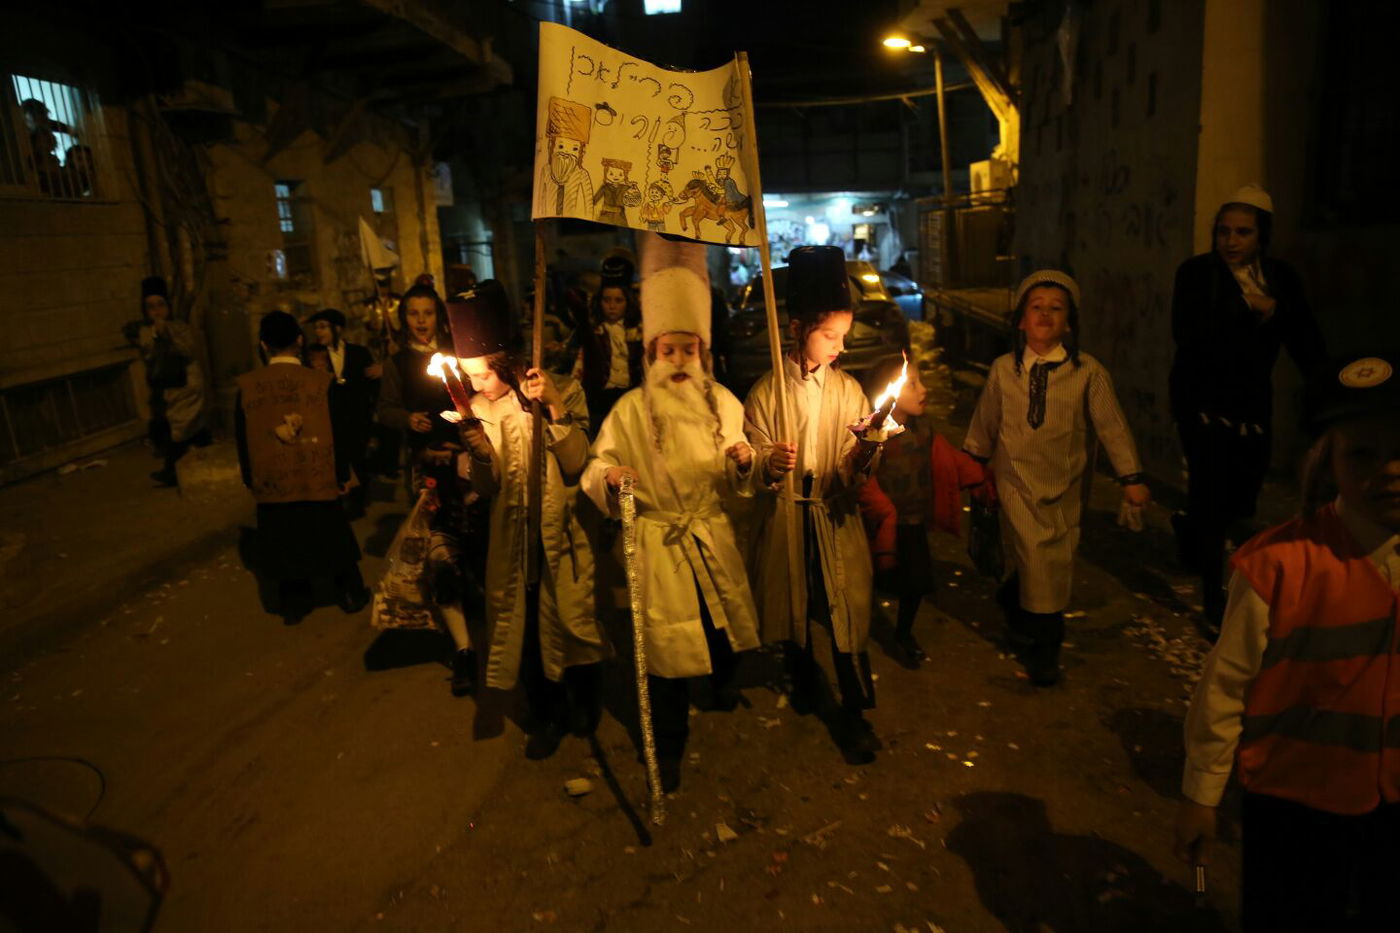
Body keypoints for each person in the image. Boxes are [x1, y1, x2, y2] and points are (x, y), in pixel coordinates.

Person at [1174, 351, 1400, 932]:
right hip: (1294, 804)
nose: (1390, 469)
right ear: (1328, 463)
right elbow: (1226, 685)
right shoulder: (1278, 563)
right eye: (1363, 453)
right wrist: (1202, 794)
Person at [583, 232, 761, 793]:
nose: (680, 361)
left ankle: (721, 683)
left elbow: (740, 461)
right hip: (660, 549)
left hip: (710, 537)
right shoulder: (630, 409)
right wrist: (611, 476)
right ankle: (670, 745)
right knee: (665, 658)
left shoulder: (723, 402)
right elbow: (596, 464)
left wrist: (743, 460)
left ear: (703, 353)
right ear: (652, 353)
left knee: (719, 633)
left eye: (690, 350)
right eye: (669, 351)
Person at [962, 270, 1150, 687]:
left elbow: (1113, 428)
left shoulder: (1088, 372)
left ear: (1069, 323)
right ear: (1021, 320)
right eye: (1036, 307)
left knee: (1050, 564)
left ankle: (1012, 601)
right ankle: (1045, 655)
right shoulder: (1003, 369)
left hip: (1066, 489)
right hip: (1016, 484)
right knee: (1038, 562)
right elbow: (986, 420)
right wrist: (973, 462)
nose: (1045, 314)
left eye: (1056, 308)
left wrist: (1131, 477)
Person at [744, 246, 889, 764]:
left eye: (843, 336)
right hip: (788, 516)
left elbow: (853, 465)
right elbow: (750, 456)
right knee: (795, 607)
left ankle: (854, 712)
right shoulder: (767, 392)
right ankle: (804, 677)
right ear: (797, 328)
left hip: (832, 515)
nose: (839, 346)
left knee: (845, 612)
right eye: (829, 335)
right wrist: (768, 463)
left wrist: (866, 450)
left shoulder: (848, 390)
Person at [450, 281, 606, 756]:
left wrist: (554, 405)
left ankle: (586, 703)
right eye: (470, 376)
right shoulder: (479, 409)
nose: (475, 384)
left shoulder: (561, 390)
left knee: (572, 619)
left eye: (482, 374)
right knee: (527, 629)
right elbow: (488, 487)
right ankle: (546, 714)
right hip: (514, 540)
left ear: (503, 362)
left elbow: (577, 463)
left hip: (563, 533)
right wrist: (480, 452)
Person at [1169, 185, 1326, 629]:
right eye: (1224, 231)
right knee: (1211, 494)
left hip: (1251, 402)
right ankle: (1213, 600)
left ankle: (1190, 529)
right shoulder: (1197, 274)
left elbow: (1303, 336)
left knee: (1242, 498)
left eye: (1242, 232)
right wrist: (1246, 305)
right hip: (1201, 400)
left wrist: (1327, 385)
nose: (1231, 241)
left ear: (1262, 235)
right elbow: (1189, 332)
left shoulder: (1280, 277)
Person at [235, 311, 368, 623]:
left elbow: (243, 437)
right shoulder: (321, 383)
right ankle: (349, 594)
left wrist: (250, 477)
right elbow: (338, 431)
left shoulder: (248, 387)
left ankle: (294, 604)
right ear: (299, 340)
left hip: (273, 481)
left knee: (284, 540)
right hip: (318, 475)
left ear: (263, 344)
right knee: (331, 535)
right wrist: (342, 473)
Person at [856, 355, 988, 667]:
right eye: (912, 384)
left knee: (916, 581)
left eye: (920, 381)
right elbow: (859, 474)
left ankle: (903, 634)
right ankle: (858, 632)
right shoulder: (874, 433)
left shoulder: (923, 429)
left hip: (912, 520)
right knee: (871, 576)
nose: (923, 389)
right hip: (879, 522)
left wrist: (981, 478)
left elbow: (946, 459)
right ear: (888, 391)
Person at [124, 276, 211, 487]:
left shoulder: (179, 327)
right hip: (169, 388)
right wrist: (154, 336)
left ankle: (172, 470)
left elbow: (187, 350)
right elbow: (148, 355)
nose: (156, 311)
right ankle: (199, 457)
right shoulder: (147, 332)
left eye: (160, 305)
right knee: (186, 428)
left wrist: (167, 334)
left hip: (187, 385)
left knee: (181, 428)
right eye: (151, 307)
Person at [376, 275, 455, 488]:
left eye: (428, 313)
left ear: (438, 316)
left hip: (460, 449)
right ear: (404, 318)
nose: (421, 321)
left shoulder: (456, 353)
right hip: (422, 454)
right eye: (413, 314)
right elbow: (385, 410)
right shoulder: (397, 362)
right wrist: (407, 418)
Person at [308, 307, 380, 509]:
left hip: (357, 415)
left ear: (337, 328)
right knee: (335, 458)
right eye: (316, 328)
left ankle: (359, 500)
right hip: (330, 417)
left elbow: (371, 382)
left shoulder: (358, 352)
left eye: (323, 327)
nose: (319, 332)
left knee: (358, 457)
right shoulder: (314, 355)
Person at [573, 256, 644, 431]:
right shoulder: (595, 331)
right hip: (600, 398)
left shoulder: (638, 331)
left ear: (628, 302)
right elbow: (581, 363)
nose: (612, 306)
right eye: (607, 300)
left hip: (631, 394)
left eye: (618, 300)